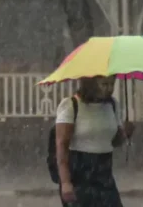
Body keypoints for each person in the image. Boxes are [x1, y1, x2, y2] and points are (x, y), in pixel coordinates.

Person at [56, 76, 135, 207]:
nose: (109, 88)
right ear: (91, 83)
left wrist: (125, 133)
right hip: (79, 174)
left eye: (112, 84)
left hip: (104, 173)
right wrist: (65, 182)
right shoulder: (72, 105)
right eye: (104, 84)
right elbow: (62, 145)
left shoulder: (112, 105)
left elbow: (114, 142)